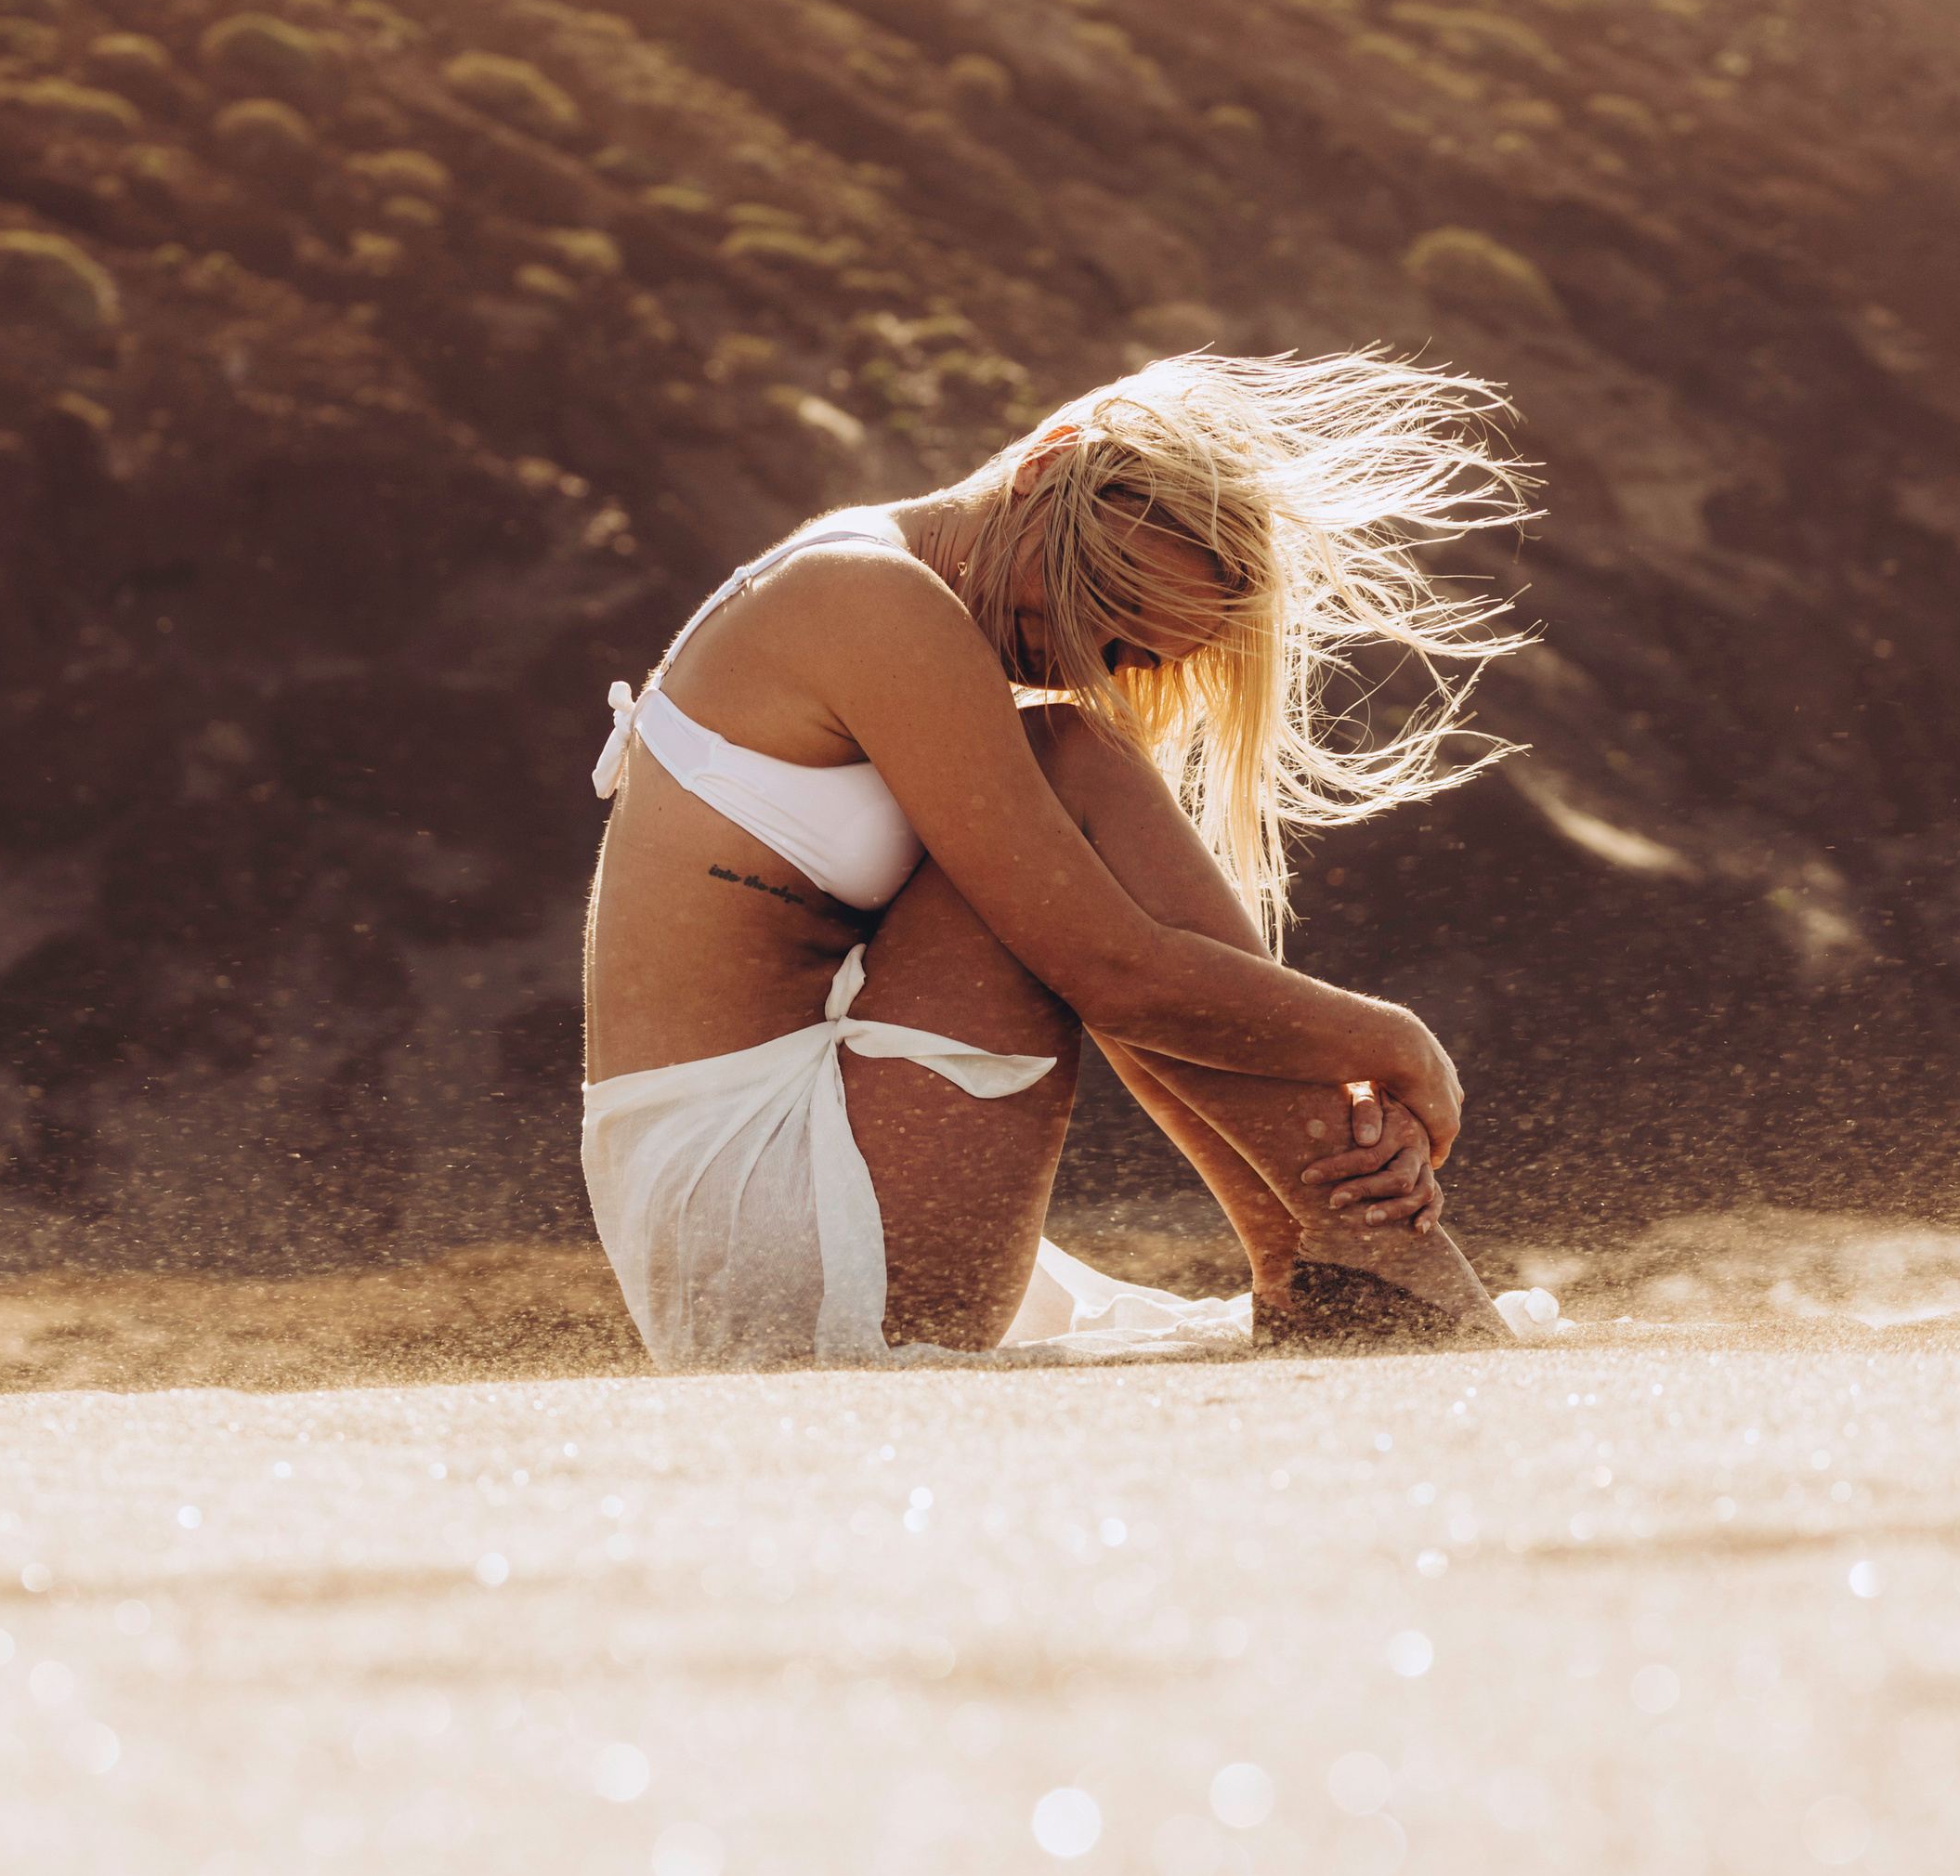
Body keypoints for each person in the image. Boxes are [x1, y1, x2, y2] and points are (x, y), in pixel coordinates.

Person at [579, 348, 1535, 1368]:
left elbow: (1124, 962)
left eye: (1128, 652)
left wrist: (1334, 1060)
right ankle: (1351, 1254)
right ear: (1051, 462)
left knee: (1076, 775)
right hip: (761, 1213)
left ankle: (1320, 1254)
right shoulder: (866, 594)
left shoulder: (866, 587)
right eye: (1096, 593)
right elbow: (1116, 975)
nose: (1082, 655)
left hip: (777, 1174)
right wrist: (1394, 1048)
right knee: (1078, 775)